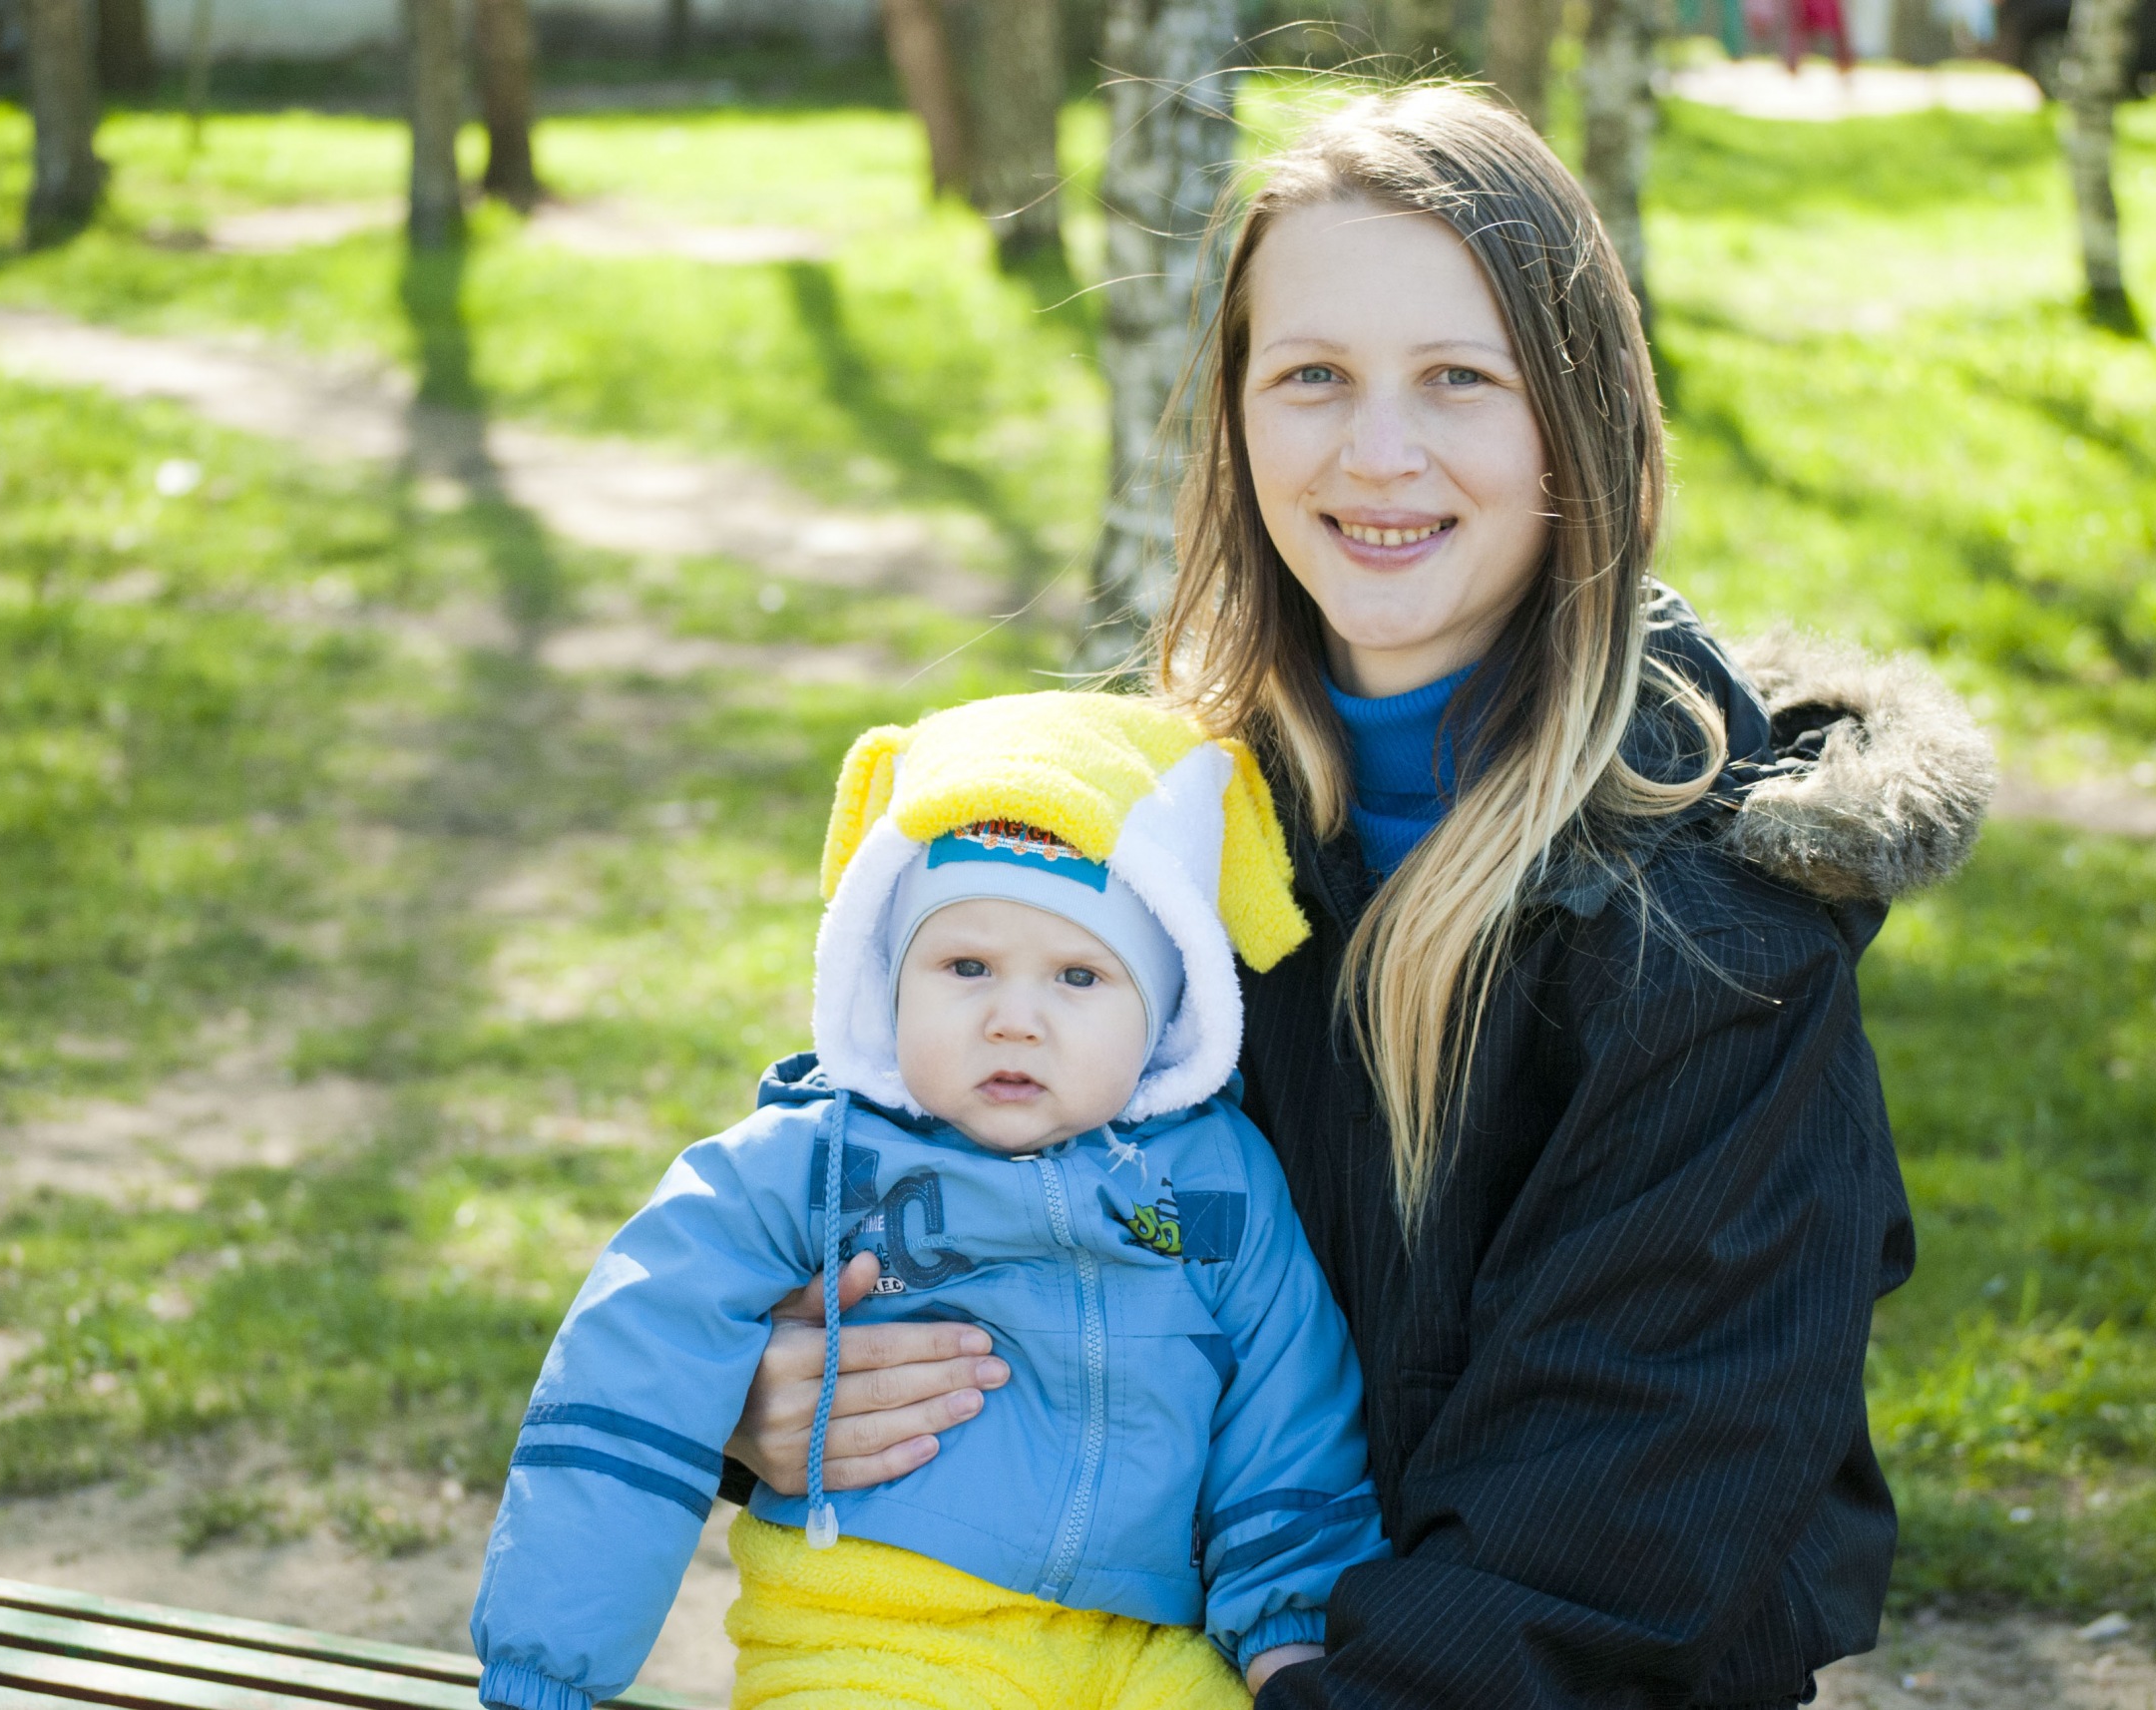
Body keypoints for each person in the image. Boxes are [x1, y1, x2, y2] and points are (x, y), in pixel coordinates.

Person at [724, 87, 1994, 1709]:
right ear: (1237, 417)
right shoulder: (1160, 832)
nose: (1375, 453)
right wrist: (761, 1371)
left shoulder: (1714, 931)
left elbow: (1614, 1532)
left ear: (1580, 422)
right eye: (1312, 374)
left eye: (1460, 378)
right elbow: (879, 1140)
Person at [469, 691, 1392, 1710]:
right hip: (871, 1631)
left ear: (1168, 1008)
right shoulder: (813, 1162)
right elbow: (634, 1363)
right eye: (966, 965)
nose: (1013, 1019)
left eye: (1079, 976)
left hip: (1141, 1645)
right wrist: (545, 1665)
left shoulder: (1217, 1180)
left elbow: (1287, 1413)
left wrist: (1289, 1642)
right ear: (890, 980)